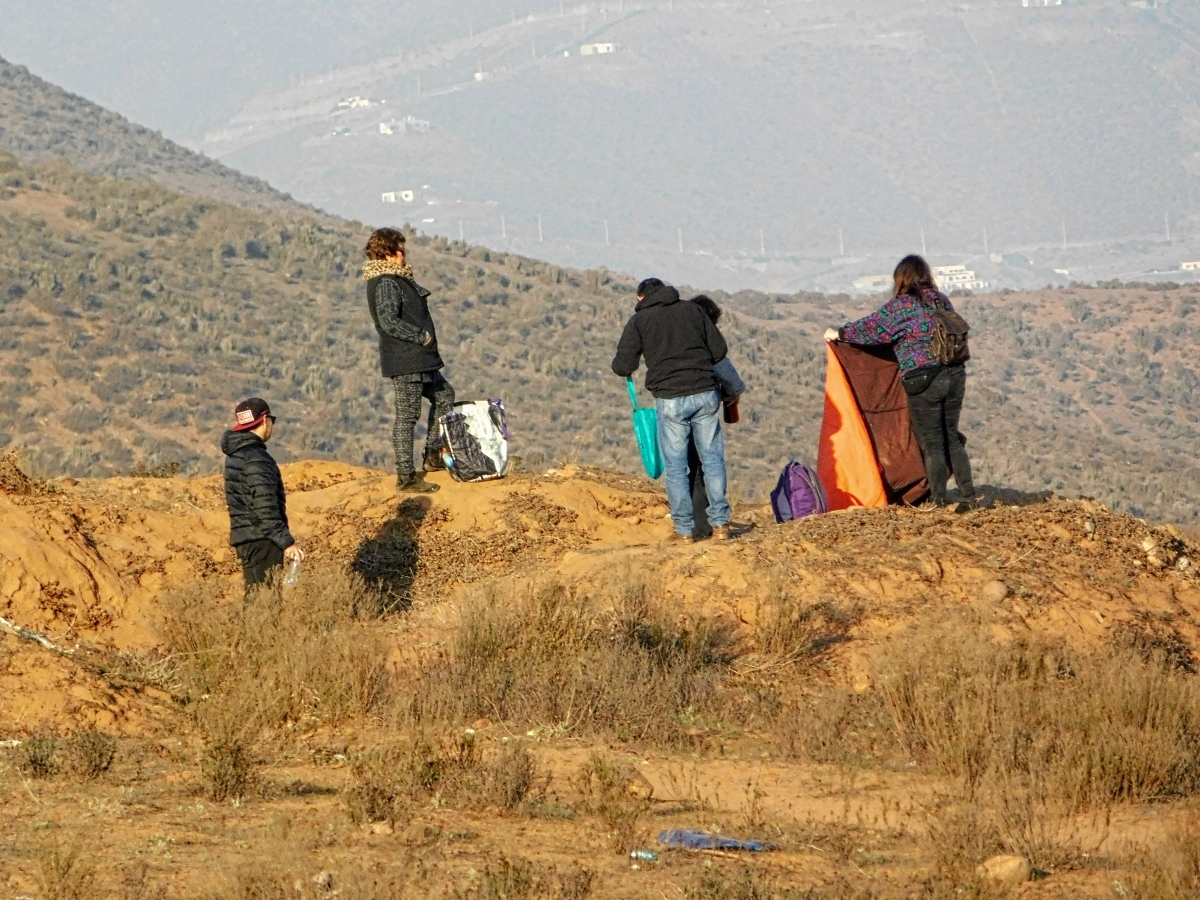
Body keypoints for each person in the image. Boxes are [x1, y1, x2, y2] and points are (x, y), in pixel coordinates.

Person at [825, 254, 978, 512]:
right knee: (950, 436)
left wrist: (838, 333)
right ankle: (968, 497)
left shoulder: (902, 306)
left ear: (901, 279)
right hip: (954, 374)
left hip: (923, 379)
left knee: (931, 442)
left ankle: (938, 500)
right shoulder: (941, 300)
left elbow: (871, 329)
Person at [612, 278, 735, 543]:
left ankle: (684, 531)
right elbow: (719, 350)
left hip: (670, 399)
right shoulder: (693, 310)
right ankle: (722, 524)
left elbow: (623, 366)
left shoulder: (639, 322)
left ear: (641, 298)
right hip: (705, 393)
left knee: (677, 467)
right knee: (712, 460)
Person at [363, 227, 455, 493]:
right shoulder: (386, 283)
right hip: (406, 361)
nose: (405, 254)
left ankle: (432, 454)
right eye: (402, 249)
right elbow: (388, 321)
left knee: (445, 396)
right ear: (389, 253)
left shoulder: (396, 279)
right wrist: (420, 336)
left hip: (420, 360)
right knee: (407, 416)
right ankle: (406, 475)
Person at [221, 397, 303, 598]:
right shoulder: (257, 459)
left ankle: (252, 630)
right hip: (262, 540)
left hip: (246, 538)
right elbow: (265, 509)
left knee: (255, 597)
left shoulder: (236, 454)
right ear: (265, 420)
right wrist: (287, 543)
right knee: (265, 602)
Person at [688, 295, 747, 539]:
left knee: (684, 465)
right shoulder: (708, 341)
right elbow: (730, 378)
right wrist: (733, 394)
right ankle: (715, 523)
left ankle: (689, 526)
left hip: (671, 402)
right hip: (705, 403)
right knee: (708, 463)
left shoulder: (675, 337)